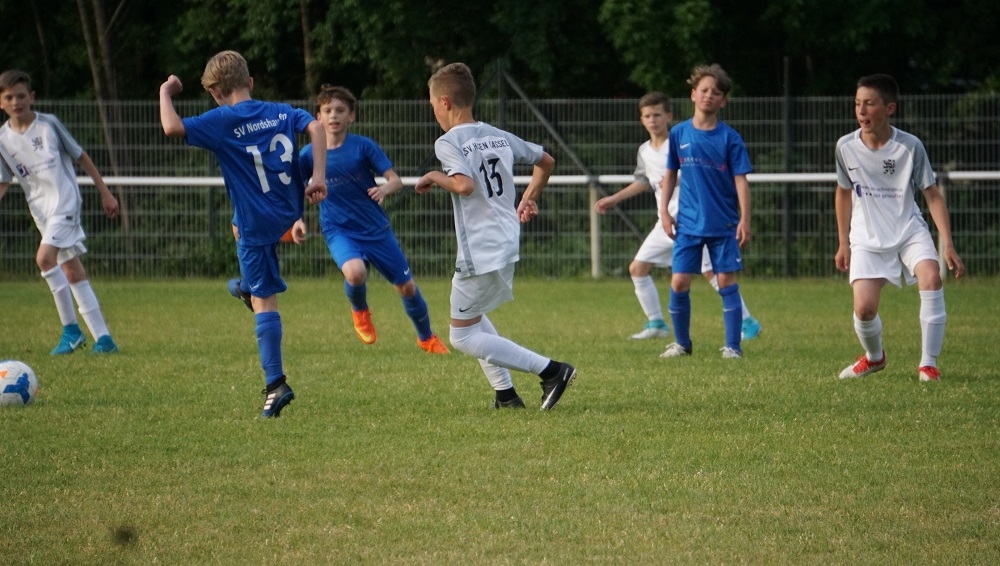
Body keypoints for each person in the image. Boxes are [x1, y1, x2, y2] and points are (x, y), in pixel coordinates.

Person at [159, 50, 327, 418]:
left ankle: (275, 384)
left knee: (264, 302)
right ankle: (247, 287)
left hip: (257, 222)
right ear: (250, 82)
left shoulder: (222, 119)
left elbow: (171, 127)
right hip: (288, 207)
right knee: (236, 225)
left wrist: (165, 92)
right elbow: (316, 127)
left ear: (215, 92)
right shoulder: (281, 111)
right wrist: (317, 176)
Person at [415, 62, 576, 410]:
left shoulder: (447, 142)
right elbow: (546, 160)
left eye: (432, 105)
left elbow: (464, 185)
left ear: (445, 102)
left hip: (481, 247)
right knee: (473, 317)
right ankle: (506, 395)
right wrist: (529, 196)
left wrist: (432, 176)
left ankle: (552, 371)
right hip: (505, 239)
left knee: (462, 335)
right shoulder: (497, 135)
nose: (434, 112)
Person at [594, 91, 761, 341]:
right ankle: (656, 323)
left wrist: (677, 178)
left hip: (694, 220)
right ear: (641, 120)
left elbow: (700, 171)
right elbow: (644, 181)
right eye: (647, 116)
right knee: (638, 268)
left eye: (657, 115)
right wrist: (614, 198)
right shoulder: (645, 151)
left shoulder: (681, 140)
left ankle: (747, 322)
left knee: (713, 273)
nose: (653, 120)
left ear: (668, 116)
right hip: (666, 222)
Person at [296, 85, 448, 354]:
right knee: (355, 273)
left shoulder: (362, 146)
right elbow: (296, 189)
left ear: (351, 116)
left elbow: (395, 180)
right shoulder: (309, 154)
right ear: (318, 118)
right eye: (327, 111)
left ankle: (427, 338)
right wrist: (297, 219)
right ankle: (360, 311)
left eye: (340, 110)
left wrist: (384, 189)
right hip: (338, 230)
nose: (333, 116)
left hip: (376, 229)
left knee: (406, 287)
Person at [834, 74, 965, 382]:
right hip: (866, 235)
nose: (861, 111)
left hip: (908, 229)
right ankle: (874, 357)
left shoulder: (910, 146)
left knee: (931, 278)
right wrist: (843, 243)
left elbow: (932, 195)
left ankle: (928, 364)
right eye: (857, 103)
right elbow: (843, 192)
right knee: (864, 309)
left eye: (869, 103)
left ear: (889, 108)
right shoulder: (845, 147)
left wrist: (947, 243)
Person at [0, 69, 120, 355]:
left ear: (32, 97)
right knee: (72, 270)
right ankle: (104, 339)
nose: (16, 102)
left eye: (21, 96)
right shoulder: (2, 139)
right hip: (41, 211)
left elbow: (81, 156)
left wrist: (105, 193)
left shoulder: (48, 125)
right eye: (9, 97)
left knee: (44, 258)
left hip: (65, 203)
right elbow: (4, 181)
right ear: (1, 103)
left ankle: (71, 331)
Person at [658, 64, 752, 360]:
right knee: (679, 282)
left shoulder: (730, 138)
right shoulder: (678, 133)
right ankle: (682, 344)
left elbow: (741, 180)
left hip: (723, 223)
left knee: (726, 282)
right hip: (687, 223)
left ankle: (733, 347)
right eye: (704, 90)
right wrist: (664, 211)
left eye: (716, 92)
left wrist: (745, 219)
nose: (709, 95)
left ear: (723, 101)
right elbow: (670, 174)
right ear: (693, 94)